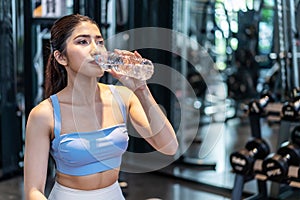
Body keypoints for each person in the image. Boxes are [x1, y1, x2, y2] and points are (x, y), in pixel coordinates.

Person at [24, 14, 178, 200]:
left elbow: (169, 147)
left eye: (100, 42)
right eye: (83, 42)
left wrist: (141, 90)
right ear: (61, 57)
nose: (95, 50)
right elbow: (33, 190)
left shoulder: (123, 97)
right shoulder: (44, 114)